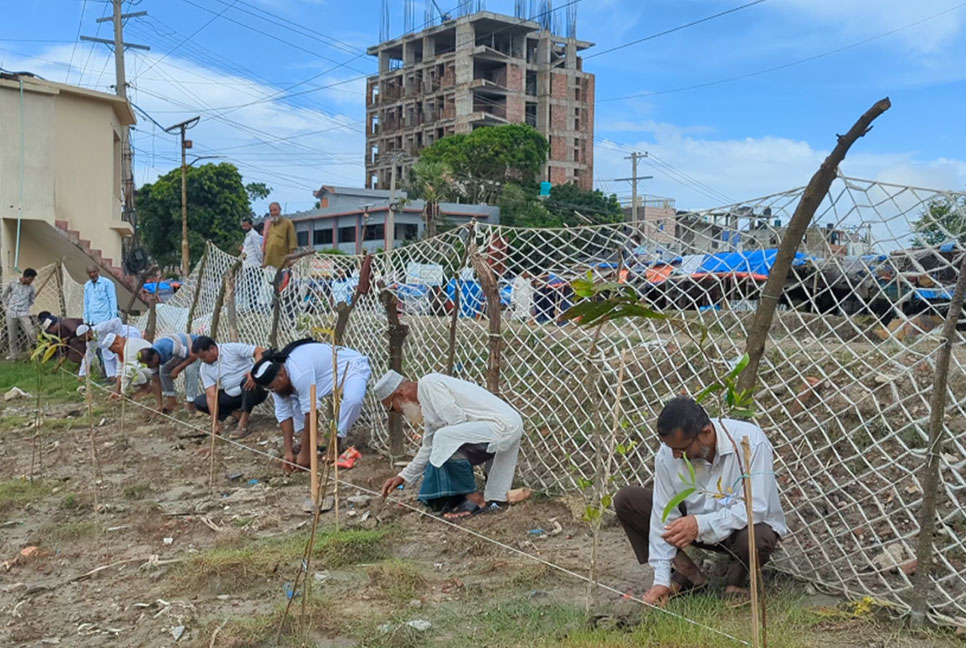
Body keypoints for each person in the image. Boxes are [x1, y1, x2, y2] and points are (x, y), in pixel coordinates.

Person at [613, 396, 788, 608]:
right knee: (627, 500)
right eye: (671, 449)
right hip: (694, 529)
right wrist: (661, 580)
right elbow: (663, 515)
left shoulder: (750, 442)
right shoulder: (668, 455)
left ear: (705, 434)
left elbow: (756, 509)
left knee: (756, 537)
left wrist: (700, 524)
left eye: (682, 449)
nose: (676, 456)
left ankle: (737, 580)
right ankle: (688, 575)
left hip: (739, 533)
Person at [377, 371, 523, 520]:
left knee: (443, 439)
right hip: (498, 428)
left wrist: (441, 446)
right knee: (441, 441)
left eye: (392, 408)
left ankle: (475, 499)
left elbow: (457, 420)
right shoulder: (426, 405)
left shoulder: (429, 384)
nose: (397, 413)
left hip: (502, 425)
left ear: (400, 394)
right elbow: (428, 447)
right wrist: (402, 476)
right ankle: (483, 499)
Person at [251, 339, 371, 470]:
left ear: (281, 375)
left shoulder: (299, 372)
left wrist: (306, 453)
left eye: (273, 388)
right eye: (270, 389)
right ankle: (315, 442)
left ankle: (335, 442)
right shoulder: (277, 381)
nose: (273, 392)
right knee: (293, 400)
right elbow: (284, 414)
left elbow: (312, 411)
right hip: (324, 378)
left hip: (351, 367)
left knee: (353, 400)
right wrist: (288, 452)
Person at [191, 336, 268, 437]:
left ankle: (243, 424)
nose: (202, 360)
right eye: (200, 358)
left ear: (212, 349)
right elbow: (211, 395)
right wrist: (215, 423)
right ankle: (237, 415)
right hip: (233, 396)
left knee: (246, 382)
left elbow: (260, 351)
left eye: (204, 356)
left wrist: (254, 372)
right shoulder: (204, 368)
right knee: (200, 401)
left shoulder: (232, 348)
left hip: (254, 388)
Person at [137, 333, 200, 413]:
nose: (148, 367)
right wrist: (159, 404)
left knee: (190, 370)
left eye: (149, 365)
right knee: (163, 371)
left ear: (154, 358)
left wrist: (177, 369)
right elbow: (156, 381)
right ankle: (171, 401)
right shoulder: (151, 358)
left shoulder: (169, 347)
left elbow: (193, 356)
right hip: (182, 354)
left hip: (194, 349)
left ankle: (191, 402)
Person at [75, 318, 140, 380]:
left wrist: (118, 337)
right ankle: (112, 377)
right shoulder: (91, 343)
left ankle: (127, 376)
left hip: (127, 335)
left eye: (83, 337)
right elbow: (88, 356)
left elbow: (117, 321)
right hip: (111, 346)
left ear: (88, 332)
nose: (84, 340)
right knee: (105, 354)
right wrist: (82, 374)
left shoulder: (100, 328)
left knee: (125, 356)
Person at [101, 332, 152, 398]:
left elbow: (127, 371)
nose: (114, 353)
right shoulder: (123, 348)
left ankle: (146, 389)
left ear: (117, 344)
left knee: (129, 369)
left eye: (113, 350)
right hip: (147, 368)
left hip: (153, 369)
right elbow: (119, 371)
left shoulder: (129, 347)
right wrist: (116, 392)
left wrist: (123, 394)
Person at [4, 268, 38, 360]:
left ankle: (34, 350)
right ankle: (13, 355)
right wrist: (8, 307)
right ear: (25, 277)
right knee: (12, 336)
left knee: (31, 331)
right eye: (30, 279)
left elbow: (31, 300)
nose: (31, 281)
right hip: (11, 313)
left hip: (23, 313)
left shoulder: (31, 288)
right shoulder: (12, 283)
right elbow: (4, 296)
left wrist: (25, 307)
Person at [261, 202, 297, 269]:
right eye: (271, 211)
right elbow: (265, 244)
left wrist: (289, 260)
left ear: (280, 209)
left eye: (275, 210)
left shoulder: (288, 223)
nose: (273, 213)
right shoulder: (269, 225)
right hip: (268, 262)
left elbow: (292, 243)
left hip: (281, 262)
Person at [240, 217, 264, 312]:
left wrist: (261, 261)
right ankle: (252, 305)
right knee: (250, 285)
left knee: (254, 285)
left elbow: (257, 249)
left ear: (251, 225)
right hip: (247, 264)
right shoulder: (248, 236)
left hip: (254, 264)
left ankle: (254, 305)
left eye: (246, 225)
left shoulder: (254, 235)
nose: (244, 227)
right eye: (243, 226)